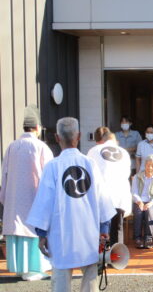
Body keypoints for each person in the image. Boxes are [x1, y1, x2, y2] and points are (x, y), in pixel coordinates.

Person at [27, 117, 116, 292]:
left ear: (57, 138)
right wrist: (104, 229)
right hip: (88, 232)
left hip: (61, 234)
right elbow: (103, 199)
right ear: (79, 136)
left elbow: (44, 202)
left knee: (60, 279)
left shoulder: (53, 166)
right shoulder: (90, 164)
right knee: (90, 278)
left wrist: (42, 234)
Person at [0, 105, 53, 281]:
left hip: (14, 198)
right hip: (34, 197)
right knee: (32, 229)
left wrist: (4, 198)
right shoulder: (41, 147)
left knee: (18, 228)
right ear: (37, 128)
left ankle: (21, 268)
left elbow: (5, 174)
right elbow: (49, 174)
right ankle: (33, 269)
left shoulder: (12, 146)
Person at [87, 129, 132, 245]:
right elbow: (126, 173)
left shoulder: (93, 151)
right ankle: (117, 259)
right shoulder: (124, 152)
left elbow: (89, 176)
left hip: (101, 196)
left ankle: (102, 259)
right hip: (119, 196)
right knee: (117, 229)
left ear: (98, 141)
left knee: (101, 231)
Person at [132, 154, 153, 249]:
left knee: (149, 211)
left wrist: (151, 203)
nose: (150, 167)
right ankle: (137, 238)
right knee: (138, 212)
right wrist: (139, 202)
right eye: (148, 165)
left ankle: (148, 238)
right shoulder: (137, 177)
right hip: (140, 201)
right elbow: (134, 192)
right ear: (145, 165)